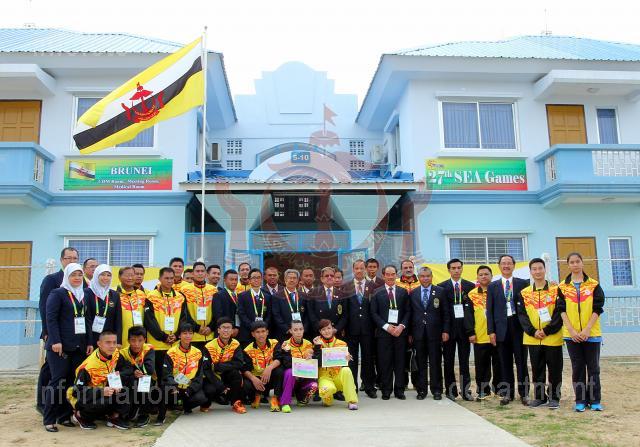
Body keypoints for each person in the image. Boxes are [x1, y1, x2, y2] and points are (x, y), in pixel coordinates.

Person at [43, 263, 93, 432]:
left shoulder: (84, 294)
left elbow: (87, 320)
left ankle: (65, 416)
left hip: (79, 346)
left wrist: (89, 342)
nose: (77, 278)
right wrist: (56, 341)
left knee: (72, 382)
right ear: (67, 276)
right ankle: (49, 419)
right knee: (57, 382)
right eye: (73, 275)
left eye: (79, 275)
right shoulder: (58, 293)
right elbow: (51, 318)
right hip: (60, 347)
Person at [556, 252, 605, 412]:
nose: (575, 264)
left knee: (593, 368)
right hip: (572, 336)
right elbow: (561, 310)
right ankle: (580, 400)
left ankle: (595, 400)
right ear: (568, 265)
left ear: (582, 263)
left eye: (578, 261)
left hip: (591, 334)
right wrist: (571, 330)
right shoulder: (562, 287)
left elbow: (598, 308)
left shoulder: (594, 285)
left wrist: (587, 329)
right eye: (572, 262)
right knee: (577, 368)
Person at [37, 247, 81, 414]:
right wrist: (47, 332)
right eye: (68, 258)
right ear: (62, 260)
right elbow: (45, 308)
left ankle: (63, 409)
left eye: (75, 258)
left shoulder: (80, 282)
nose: (71, 261)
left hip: (73, 338)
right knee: (50, 370)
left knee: (65, 374)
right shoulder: (52, 280)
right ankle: (43, 403)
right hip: (55, 335)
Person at [517, 258, 563, 409]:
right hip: (533, 338)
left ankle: (554, 397)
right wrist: (533, 331)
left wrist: (547, 330)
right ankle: (539, 397)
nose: (537, 271)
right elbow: (522, 315)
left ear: (545, 270)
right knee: (537, 369)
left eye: (540, 268)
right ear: (530, 272)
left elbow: (559, 312)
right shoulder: (524, 293)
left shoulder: (556, 290)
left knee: (555, 369)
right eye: (534, 269)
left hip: (552, 337)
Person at [487, 254, 530, 406]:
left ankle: (524, 394)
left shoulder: (523, 283)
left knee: (521, 362)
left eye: (509, 263)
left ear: (514, 265)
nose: (506, 266)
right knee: (504, 363)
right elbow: (490, 311)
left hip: (518, 327)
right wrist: (491, 331)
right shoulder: (492, 286)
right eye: (503, 263)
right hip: (501, 329)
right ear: (499, 266)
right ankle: (507, 393)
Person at [144, 267, 185, 423]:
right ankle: (155, 411)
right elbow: (149, 321)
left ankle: (168, 407)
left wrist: (177, 334)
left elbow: (184, 318)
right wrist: (163, 337)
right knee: (158, 380)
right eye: (166, 278)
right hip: (157, 346)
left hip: (174, 346)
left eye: (171, 278)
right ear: (160, 279)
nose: (169, 281)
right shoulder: (151, 296)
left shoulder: (180, 297)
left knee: (171, 379)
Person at [67, 330, 130, 430]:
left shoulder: (115, 354)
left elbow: (128, 368)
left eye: (114, 342)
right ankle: (80, 416)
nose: (112, 346)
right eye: (108, 342)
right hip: (85, 397)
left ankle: (113, 417)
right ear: (99, 344)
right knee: (105, 400)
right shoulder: (88, 366)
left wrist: (118, 378)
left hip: (106, 390)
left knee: (130, 383)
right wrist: (101, 391)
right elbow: (77, 392)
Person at [370, 265, 410, 400]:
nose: (391, 277)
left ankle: (399, 390)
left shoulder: (403, 292)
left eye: (393, 274)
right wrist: (386, 326)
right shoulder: (376, 292)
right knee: (385, 362)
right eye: (388, 274)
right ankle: (386, 390)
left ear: (396, 275)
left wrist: (401, 326)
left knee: (400, 362)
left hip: (400, 333)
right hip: (383, 334)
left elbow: (408, 311)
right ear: (383, 276)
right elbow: (373, 313)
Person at [409, 266, 449, 400]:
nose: (425, 279)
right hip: (418, 334)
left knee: (435, 362)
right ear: (418, 278)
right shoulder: (413, 293)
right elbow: (410, 314)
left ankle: (437, 390)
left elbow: (446, 313)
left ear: (431, 277)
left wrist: (445, 330)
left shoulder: (440, 291)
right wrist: (410, 333)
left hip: (435, 334)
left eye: (428, 276)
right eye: (422, 276)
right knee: (420, 363)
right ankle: (421, 390)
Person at [438, 258, 476, 401]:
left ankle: (466, 391)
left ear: (462, 268)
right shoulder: (442, 287)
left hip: (465, 330)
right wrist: (444, 330)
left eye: (459, 267)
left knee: (464, 362)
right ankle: (450, 391)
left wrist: (471, 330)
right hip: (448, 330)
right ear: (449, 270)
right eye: (453, 268)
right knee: (448, 361)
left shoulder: (470, 286)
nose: (456, 270)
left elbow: (472, 311)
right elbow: (441, 312)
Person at [464, 265, 501, 400]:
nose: (484, 276)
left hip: (497, 335)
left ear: (492, 276)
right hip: (480, 336)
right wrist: (470, 332)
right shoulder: (472, 294)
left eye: (486, 274)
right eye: (481, 275)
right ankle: (483, 390)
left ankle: (499, 389)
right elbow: (468, 316)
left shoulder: (498, 291)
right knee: (481, 366)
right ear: (477, 277)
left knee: (499, 364)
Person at [343, 259, 377, 398]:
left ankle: (369, 387)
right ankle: (353, 387)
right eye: (356, 268)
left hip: (368, 329)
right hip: (351, 329)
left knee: (368, 359)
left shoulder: (373, 286)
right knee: (351, 360)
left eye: (361, 268)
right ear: (353, 270)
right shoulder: (346, 287)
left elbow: (375, 309)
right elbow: (344, 310)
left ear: (365, 269)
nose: (359, 271)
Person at [162, 323, 208, 418]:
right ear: (179, 335)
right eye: (185, 333)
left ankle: (186, 406)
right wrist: (174, 386)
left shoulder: (198, 352)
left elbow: (199, 376)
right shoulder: (171, 352)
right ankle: (171, 407)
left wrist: (190, 389)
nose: (188, 336)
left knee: (201, 398)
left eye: (190, 333)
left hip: (189, 387)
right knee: (164, 393)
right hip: (175, 387)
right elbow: (167, 374)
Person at [202, 317, 247, 414]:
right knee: (210, 390)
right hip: (212, 376)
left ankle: (236, 403)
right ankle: (206, 403)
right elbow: (206, 369)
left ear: (232, 331)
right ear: (218, 330)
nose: (226, 330)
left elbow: (239, 363)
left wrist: (219, 366)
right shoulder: (209, 346)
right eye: (223, 327)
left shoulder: (236, 344)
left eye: (228, 328)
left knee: (236, 374)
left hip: (226, 373)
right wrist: (220, 385)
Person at [313, 319, 358, 410]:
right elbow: (316, 363)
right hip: (325, 377)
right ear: (320, 332)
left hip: (338, 376)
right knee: (328, 398)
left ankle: (352, 401)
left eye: (329, 328)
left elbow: (345, 364)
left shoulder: (342, 343)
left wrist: (348, 359)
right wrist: (317, 347)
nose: (327, 331)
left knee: (346, 370)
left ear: (333, 329)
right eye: (323, 329)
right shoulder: (316, 343)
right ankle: (328, 397)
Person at [274, 320, 318, 413]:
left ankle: (301, 399)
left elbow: (314, 363)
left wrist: (312, 358)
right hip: (292, 377)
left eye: (301, 329)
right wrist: (287, 352)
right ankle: (285, 403)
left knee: (314, 385)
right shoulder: (285, 344)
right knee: (290, 372)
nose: (298, 332)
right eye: (295, 330)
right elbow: (286, 364)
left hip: (305, 376)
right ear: (290, 331)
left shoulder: (308, 343)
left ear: (303, 330)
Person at [242, 321, 283, 411]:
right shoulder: (247, 350)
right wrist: (253, 379)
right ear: (253, 334)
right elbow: (245, 369)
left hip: (270, 377)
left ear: (267, 332)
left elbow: (279, 359)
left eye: (263, 331)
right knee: (246, 384)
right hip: (257, 380)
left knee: (279, 371)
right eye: (257, 332)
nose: (261, 334)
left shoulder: (274, 343)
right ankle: (256, 396)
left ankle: (275, 399)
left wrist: (269, 368)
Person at [119, 326, 155, 428]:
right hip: (130, 378)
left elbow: (149, 369)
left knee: (144, 382)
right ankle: (126, 412)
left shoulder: (149, 349)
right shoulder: (123, 353)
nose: (136, 344)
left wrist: (137, 371)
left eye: (140, 340)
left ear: (145, 340)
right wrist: (133, 371)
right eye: (133, 340)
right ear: (128, 340)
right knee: (126, 381)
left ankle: (144, 415)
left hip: (147, 379)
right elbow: (122, 370)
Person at [181, 261, 217, 349]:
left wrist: (210, 327)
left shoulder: (213, 290)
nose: (200, 273)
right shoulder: (184, 290)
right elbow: (184, 313)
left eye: (202, 271)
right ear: (193, 274)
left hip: (210, 335)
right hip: (192, 336)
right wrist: (197, 328)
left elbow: (217, 312)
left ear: (206, 274)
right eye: (197, 271)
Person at [85, 264, 121, 348]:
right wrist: (89, 342)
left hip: (109, 340)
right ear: (96, 275)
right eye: (102, 274)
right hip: (91, 339)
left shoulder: (114, 295)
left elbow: (118, 320)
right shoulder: (86, 293)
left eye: (108, 275)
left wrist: (118, 341)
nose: (106, 278)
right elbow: (87, 319)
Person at [308, 267, 348, 336]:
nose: (329, 277)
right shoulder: (313, 292)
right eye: (326, 276)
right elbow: (311, 313)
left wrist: (337, 329)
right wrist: (320, 328)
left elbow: (345, 315)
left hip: (335, 333)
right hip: (319, 332)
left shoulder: (341, 294)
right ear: (322, 279)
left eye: (332, 275)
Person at [238, 268, 271, 347]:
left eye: (258, 277)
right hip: (247, 333)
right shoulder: (242, 296)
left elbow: (269, 314)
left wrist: (264, 326)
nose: (256, 280)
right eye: (254, 278)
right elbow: (241, 314)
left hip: (263, 333)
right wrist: (253, 326)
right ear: (249, 280)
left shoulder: (267, 296)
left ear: (261, 280)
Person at [271, 269, 308, 341]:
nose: (292, 280)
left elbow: (307, 314)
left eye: (294, 278)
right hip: (284, 334)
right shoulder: (277, 296)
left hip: (301, 333)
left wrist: (303, 329)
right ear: (285, 279)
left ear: (297, 280)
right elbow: (276, 315)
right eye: (289, 278)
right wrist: (287, 329)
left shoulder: (304, 295)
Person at [116, 266, 147, 349]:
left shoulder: (142, 294)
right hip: (121, 341)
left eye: (132, 275)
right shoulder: (114, 294)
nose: (130, 278)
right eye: (127, 275)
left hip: (139, 342)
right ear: (119, 277)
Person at [213, 269, 241, 338]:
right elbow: (218, 315)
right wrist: (230, 329)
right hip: (224, 332)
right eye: (231, 279)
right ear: (224, 280)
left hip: (238, 332)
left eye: (236, 280)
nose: (234, 282)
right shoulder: (218, 295)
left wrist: (237, 327)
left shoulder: (239, 296)